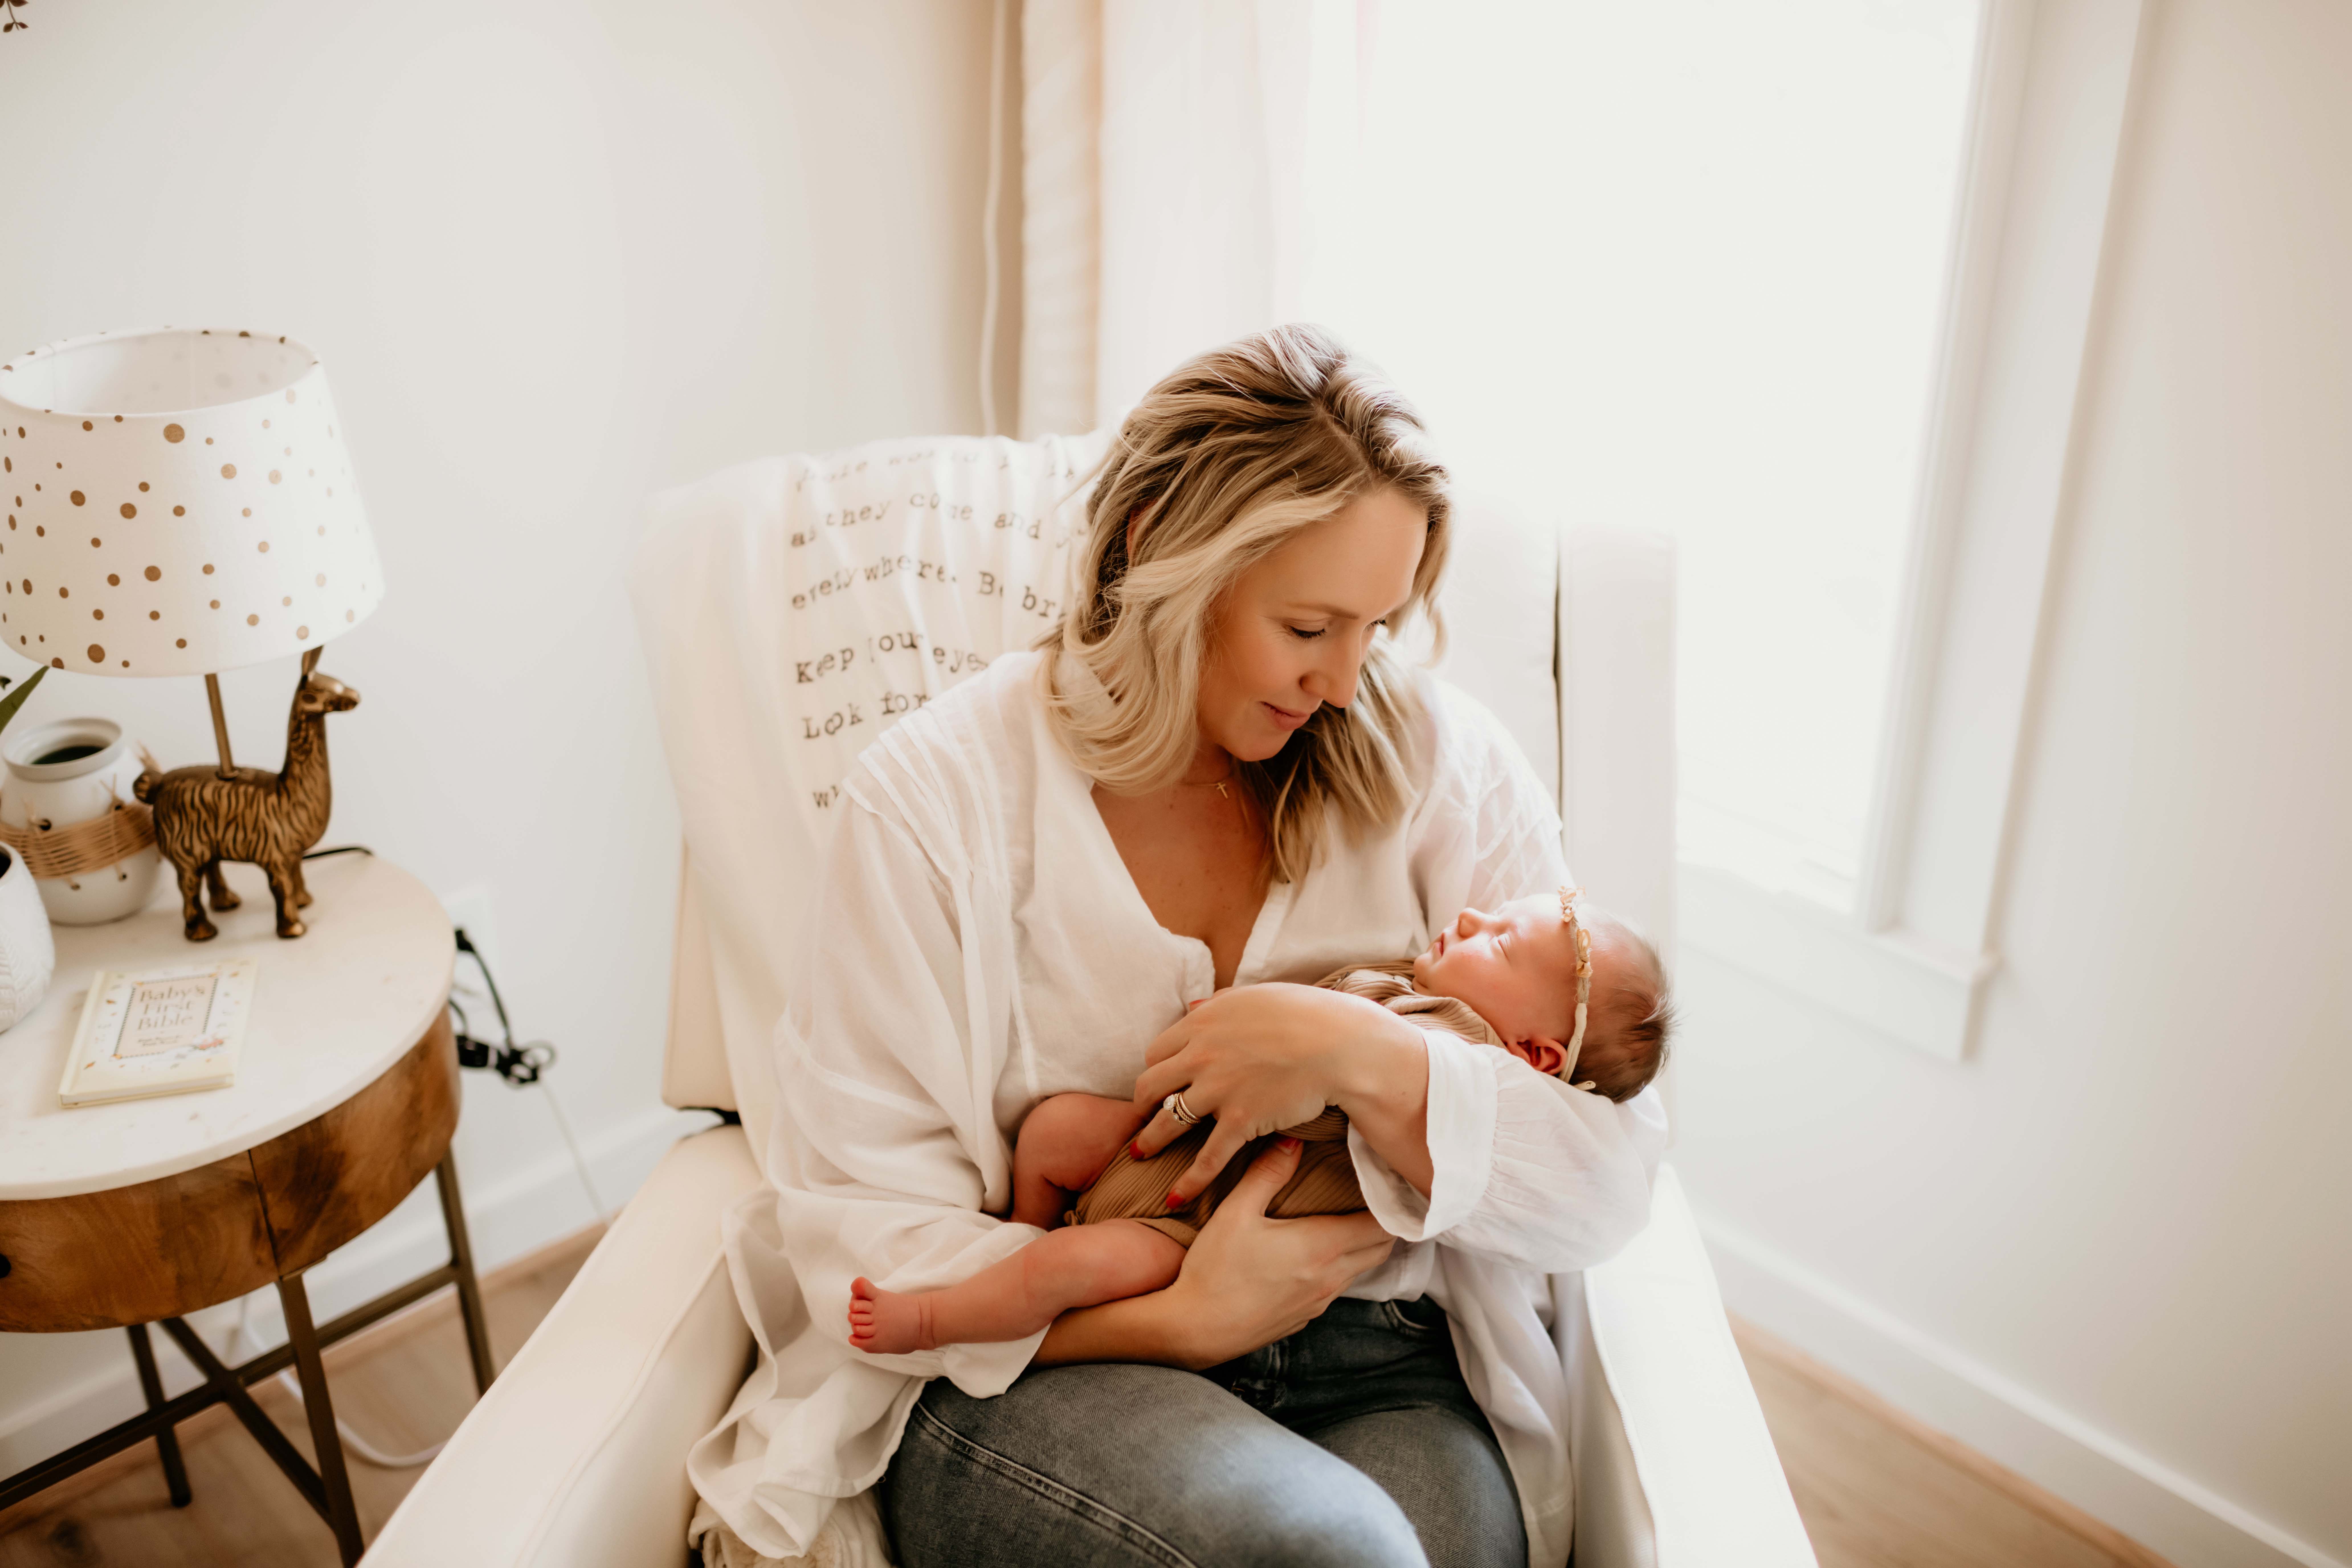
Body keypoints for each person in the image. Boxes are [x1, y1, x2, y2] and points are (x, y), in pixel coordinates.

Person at [688, 325, 1669, 1568]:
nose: (1346, 677)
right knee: (1341, 1555)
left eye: (1378, 624)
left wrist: (1358, 1053)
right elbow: (869, 1243)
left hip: (1385, 1360)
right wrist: (1181, 1317)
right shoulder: (938, 804)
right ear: (1159, 545)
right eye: (1309, 624)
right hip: (1046, 1367)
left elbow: (1610, 1169)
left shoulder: (1440, 763)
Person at [845, 890, 1674, 1356]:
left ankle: (936, 1320)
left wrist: (1333, 1045)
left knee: (1068, 1266)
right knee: (1055, 1131)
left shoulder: (1468, 1055)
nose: (1470, 921)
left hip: (1194, 1229)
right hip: (1173, 1138)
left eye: (1497, 947)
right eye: (1495, 915)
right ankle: (1015, 1233)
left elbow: (1603, 1177)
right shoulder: (1415, 984)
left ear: (1535, 1055)